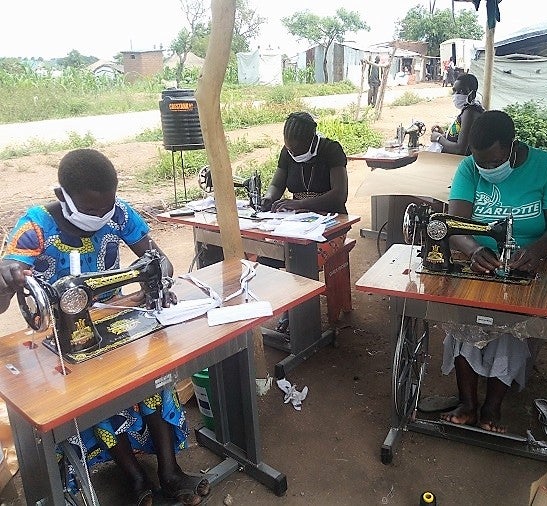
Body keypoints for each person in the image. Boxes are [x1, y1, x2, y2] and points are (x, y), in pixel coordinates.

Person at [0, 149, 209, 505]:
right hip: (59, 336)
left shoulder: (120, 213)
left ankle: (170, 472)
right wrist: (4, 283)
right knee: (95, 403)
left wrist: (154, 283)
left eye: (107, 208)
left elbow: (159, 261)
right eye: (91, 210)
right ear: (60, 197)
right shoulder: (34, 228)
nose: (101, 216)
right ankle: (134, 475)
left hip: (116, 317)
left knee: (152, 382)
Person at [440, 110, 547, 432]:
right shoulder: (469, 168)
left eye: (491, 163)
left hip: (529, 261)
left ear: (512, 146)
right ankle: (469, 403)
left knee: (510, 321)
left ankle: (492, 406)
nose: (485, 169)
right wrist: (473, 250)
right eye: (480, 163)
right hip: (481, 261)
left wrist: (536, 251)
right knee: (466, 316)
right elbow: (455, 226)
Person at [259, 112, 349, 332]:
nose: (292, 153)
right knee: (267, 255)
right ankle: (290, 306)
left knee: (300, 257)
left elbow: (340, 195)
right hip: (296, 223)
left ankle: (298, 316)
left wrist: (299, 204)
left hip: (332, 226)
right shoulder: (287, 152)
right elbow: (277, 184)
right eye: (289, 149)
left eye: (297, 150)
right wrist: (269, 197)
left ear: (311, 140)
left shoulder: (331, 150)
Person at [429, 73, 485, 155]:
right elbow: (461, 137)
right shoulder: (468, 110)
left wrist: (439, 138)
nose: (457, 94)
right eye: (455, 91)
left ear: (473, 94)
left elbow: (460, 150)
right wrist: (446, 135)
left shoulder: (470, 113)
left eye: (462, 91)